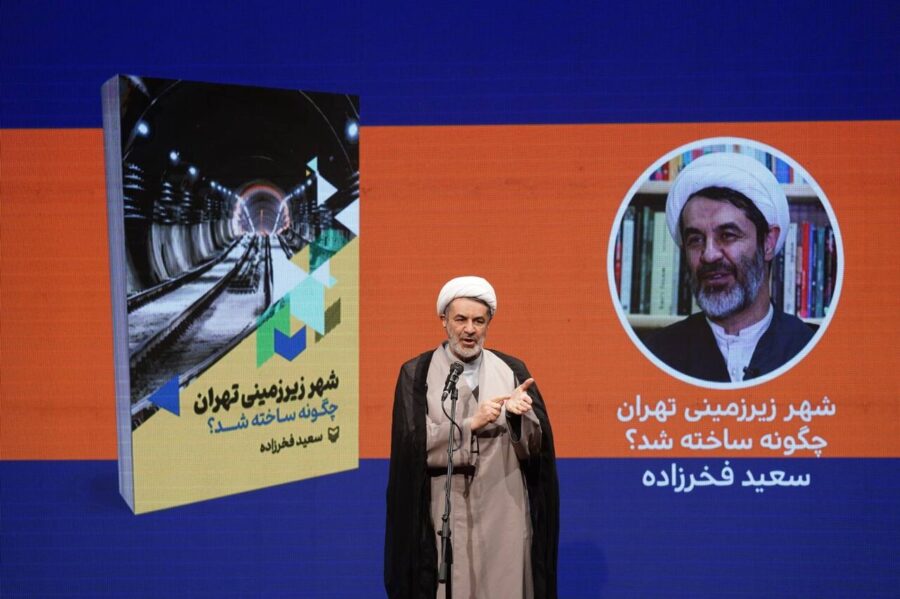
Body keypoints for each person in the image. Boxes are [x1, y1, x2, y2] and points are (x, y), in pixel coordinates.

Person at [384, 276, 559, 598]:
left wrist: (517, 418)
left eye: (479, 321)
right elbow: (411, 447)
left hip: (505, 510)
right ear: (444, 320)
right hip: (445, 513)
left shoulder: (512, 370)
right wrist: (469, 425)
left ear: (488, 323)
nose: (469, 329)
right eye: (461, 319)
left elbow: (537, 452)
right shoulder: (418, 373)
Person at [644, 152, 815, 383]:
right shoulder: (655, 354)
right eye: (695, 240)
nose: (709, 255)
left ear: (768, 242)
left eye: (728, 235)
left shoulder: (812, 348)